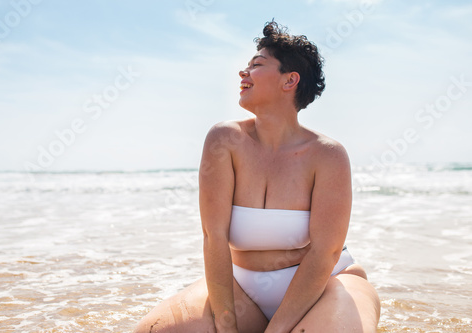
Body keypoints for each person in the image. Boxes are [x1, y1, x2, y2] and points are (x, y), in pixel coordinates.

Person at [133, 20, 381, 333]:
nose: (243, 72)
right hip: (241, 290)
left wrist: (277, 331)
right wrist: (225, 325)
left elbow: (325, 252)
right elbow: (214, 237)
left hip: (323, 288)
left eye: (257, 65)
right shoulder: (225, 140)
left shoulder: (328, 155)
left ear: (290, 80)